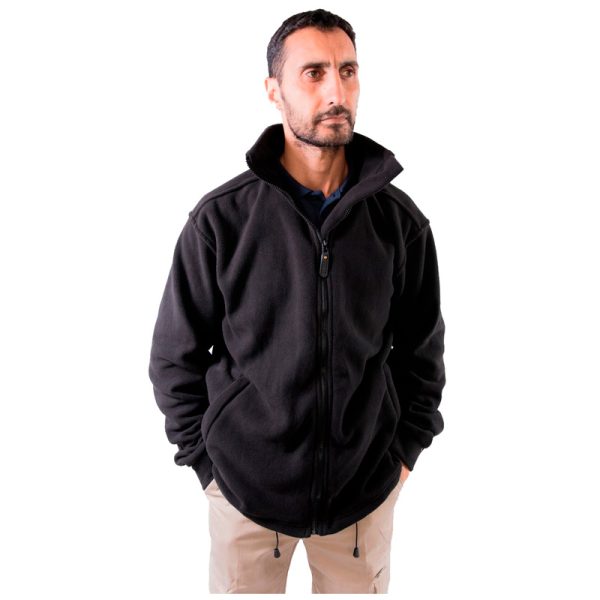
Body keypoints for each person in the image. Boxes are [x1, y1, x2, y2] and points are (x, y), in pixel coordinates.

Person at [148, 8, 446, 594]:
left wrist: (403, 454)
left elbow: (422, 356)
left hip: (363, 499)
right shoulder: (221, 221)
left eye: (348, 71)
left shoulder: (399, 223)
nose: (336, 92)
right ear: (273, 90)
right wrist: (209, 468)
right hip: (245, 497)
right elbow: (173, 359)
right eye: (314, 73)